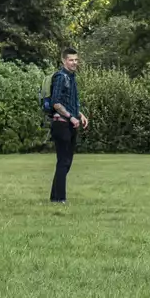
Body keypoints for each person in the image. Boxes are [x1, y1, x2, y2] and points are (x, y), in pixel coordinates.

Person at [47, 48, 88, 204]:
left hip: (71, 123)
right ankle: (60, 198)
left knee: (66, 162)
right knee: (63, 161)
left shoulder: (72, 78)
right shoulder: (61, 77)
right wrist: (71, 117)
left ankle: (54, 197)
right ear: (64, 61)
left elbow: (71, 102)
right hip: (61, 125)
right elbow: (56, 103)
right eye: (71, 60)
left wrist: (80, 115)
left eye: (76, 60)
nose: (74, 63)